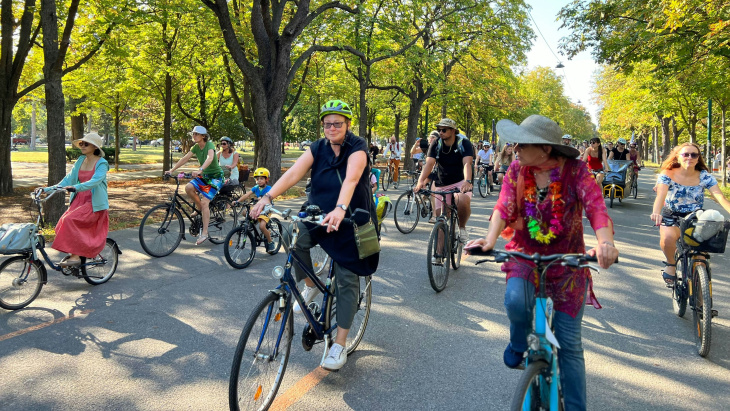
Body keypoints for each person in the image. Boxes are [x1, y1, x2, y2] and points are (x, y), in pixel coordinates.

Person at [466, 115, 618, 411]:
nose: (515, 148)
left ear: (546, 149)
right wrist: (489, 240)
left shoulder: (576, 171)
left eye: (522, 143)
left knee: (570, 346)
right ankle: (518, 344)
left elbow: (597, 208)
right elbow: (503, 205)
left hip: (569, 263)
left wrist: (605, 243)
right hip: (525, 254)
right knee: (514, 301)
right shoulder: (517, 168)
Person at [250, 99, 378, 371]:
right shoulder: (318, 147)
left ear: (348, 124)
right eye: (327, 123)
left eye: (337, 123)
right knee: (289, 233)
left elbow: (353, 178)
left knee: (346, 279)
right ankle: (309, 285)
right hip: (319, 214)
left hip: (350, 220)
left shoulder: (358, 147)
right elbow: (295, 172)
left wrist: (341, 209)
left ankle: (339, 345)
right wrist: (268, 196)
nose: (332, 128)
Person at [650, 143, 730, 285]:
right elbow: (661, 195)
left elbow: (720, 198)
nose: (690, 157)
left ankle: (702, 302)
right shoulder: (668, 174)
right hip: (672, 216)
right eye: (685, 154)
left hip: (696, 218)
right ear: (678, 157)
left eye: (694, 154)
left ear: (698, 158)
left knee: (701, 258)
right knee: (668, 239)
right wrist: (656, 213)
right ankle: (671, 264)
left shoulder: (705, 177)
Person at [44, 132, 110, 267]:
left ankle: (75, 257)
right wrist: (46, 189)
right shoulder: (80, 160)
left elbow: (95, 181)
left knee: (70, 220)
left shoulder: (102, 163)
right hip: (79, 199)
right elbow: (68, 179)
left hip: (94, 201)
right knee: (62, 222)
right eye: (81, 143)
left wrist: (75, 187)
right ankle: (76, 254)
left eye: (86, 144)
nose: (82, 146)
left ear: (95, 147)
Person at [414, 118, 473, 259]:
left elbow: (467, 164)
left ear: (453, 131)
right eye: (439, 129)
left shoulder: (463, 143)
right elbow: (429, 164)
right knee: (442, 217)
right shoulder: (436, 143)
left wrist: (467, 181)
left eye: (444, 130)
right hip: (442, 183)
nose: (440, 132)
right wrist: (421, 181)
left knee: (462, 200)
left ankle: (463, 228)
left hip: (460, 182)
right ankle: (439, 253)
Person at [166, 125, 224, 245]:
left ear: (203, 136)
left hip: (216, 177)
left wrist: (200, 170)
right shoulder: (196, 147)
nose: (194, 136)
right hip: (205, 176)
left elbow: (210, 158)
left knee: (205, 202)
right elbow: (185, 158)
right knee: (188, 188)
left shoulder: (209, 145)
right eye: (193, 134)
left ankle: (205, 233)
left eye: (196, 134)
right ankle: (200, 209)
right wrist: (172, 170)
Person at [235, 168, 277, 252]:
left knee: (262, 227)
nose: (259, 181)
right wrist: (237, 201)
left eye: (261, 178)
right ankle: (252, 222)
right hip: (257, 207)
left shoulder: (269, 188)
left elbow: (268, 196)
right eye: (257, 179)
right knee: (245, 212)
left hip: (266, 209)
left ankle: (270, 242)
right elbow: (247, 195)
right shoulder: (256, 188)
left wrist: (262, 198)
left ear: (266, 179)